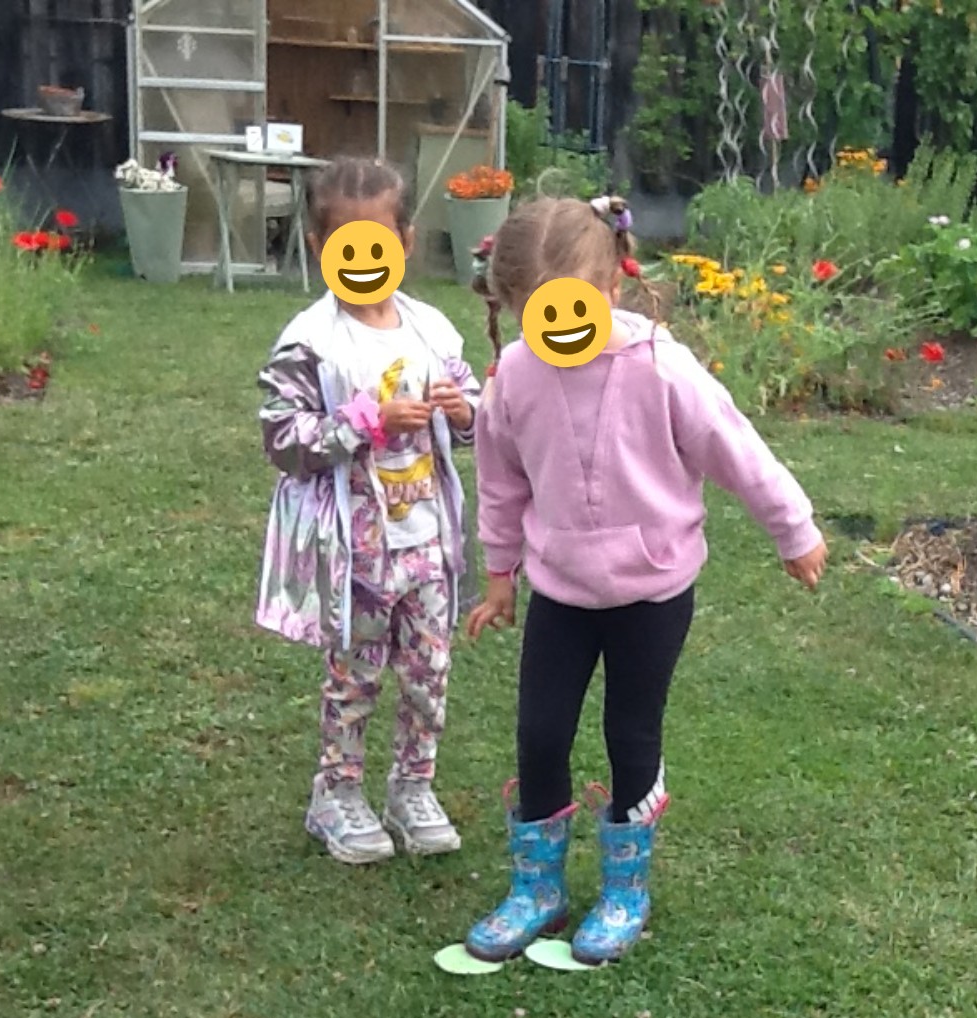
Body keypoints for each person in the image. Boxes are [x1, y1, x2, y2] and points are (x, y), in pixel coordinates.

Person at [462, 196, 828, 964]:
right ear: (513, 308)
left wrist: (792, 529)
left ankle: (625, 889)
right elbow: (501, 482)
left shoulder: (661, 367)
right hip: (561, 591)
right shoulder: (515, 378)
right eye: (537, 315)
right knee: (540, 732)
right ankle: (538, 888)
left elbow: (734, 446)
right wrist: (500, 574)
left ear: (613, 288)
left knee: (630, 733)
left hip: (652, 590)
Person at [255, 157, 480, 865]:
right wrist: (364, 423)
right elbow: (283, 438)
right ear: (319, 247)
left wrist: (462, 411)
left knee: (428, 672)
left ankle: (413, 788)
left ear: (404, 242)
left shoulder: (432, 331)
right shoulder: (311, 341)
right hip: (356, 550)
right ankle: (337, 794)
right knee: (355, 676)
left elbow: (475, 415)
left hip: (428, 542)